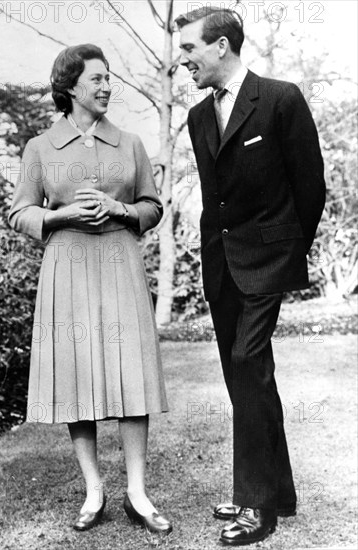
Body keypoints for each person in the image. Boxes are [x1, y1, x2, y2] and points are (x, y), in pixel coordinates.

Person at [175, 7, 325, 546]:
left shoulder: (281, 98)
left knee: (247, 362)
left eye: (189, 49)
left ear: (221, 46)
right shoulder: (196, 116)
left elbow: (311, 187)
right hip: (221, 261)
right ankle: (276, 490)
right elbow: (215, 196)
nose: (182, 60)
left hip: (269, 258)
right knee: (247, 374)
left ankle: (255, 505)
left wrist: (286, 251)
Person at [9, 44, 172, 535]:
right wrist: (61, 215)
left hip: (120, 259)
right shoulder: (40, 147)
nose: (106, 87)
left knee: (132, 374)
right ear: (71, 86)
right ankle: (94, 490)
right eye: (97, 78)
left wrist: (121, 210)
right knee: (78, 377)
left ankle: (138, 495)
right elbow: (18, 211)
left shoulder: (131, 143)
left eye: (109, 78)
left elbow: (152, 206)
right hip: (68, 265)